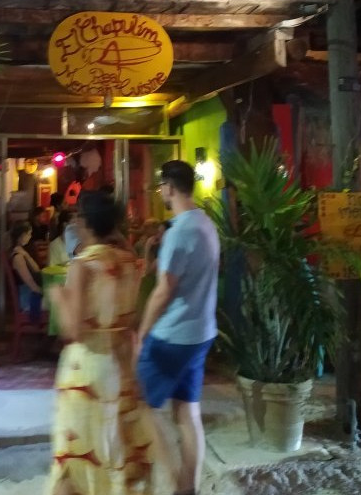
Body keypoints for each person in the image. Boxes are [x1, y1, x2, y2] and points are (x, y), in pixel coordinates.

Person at [46, 190, 153, 495]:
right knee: (118, 448)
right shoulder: (130, 262)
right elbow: (133, 317)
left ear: (86, 222)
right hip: (121, 366)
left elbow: (74, 329)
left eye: (79, 217)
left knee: (79, 453)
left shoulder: (82, 265)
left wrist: (58, 296)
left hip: (88, 369)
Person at [136, 160, 220, 495]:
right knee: (187, 411)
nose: (160, 193)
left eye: (161, 187)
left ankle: (173, 481)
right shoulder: (207, 224)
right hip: (201, 332)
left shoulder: (179, 231)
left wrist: (142, 332)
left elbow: (163, 290)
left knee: (142, 407)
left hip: (172, 336)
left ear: (169, 188)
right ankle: (189, 488)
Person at [9, 222, 44, 323]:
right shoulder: (18, 257)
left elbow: (37, 269)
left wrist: (26, 255)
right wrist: (46, 293)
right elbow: (32, 285)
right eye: (29, 234)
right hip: (28, 298)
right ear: (22, 235)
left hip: (31, 293)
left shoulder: (22, 252)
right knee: (59, 302)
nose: (30, 236)